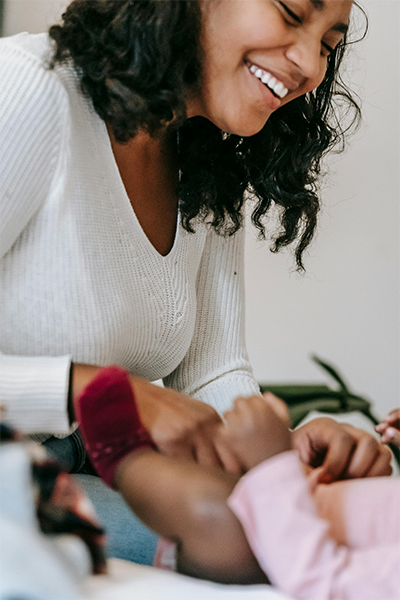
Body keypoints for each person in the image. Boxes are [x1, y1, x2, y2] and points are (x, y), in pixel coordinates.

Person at [0, 0, 392, 562]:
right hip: (20, 470)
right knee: (256, 547)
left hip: (91, 467)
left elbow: (212, 371)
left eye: (329, 44)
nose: (309, 64)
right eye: (289, 13)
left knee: (324, 526)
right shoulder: (28, 89)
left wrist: (279, 456)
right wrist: (97, 391)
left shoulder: (203, 157)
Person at [76, 366, 400, 599]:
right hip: (297, 501)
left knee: (219, 513)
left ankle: (125, 459)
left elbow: (323, 582)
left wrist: (273, 461)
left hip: (261, 552)